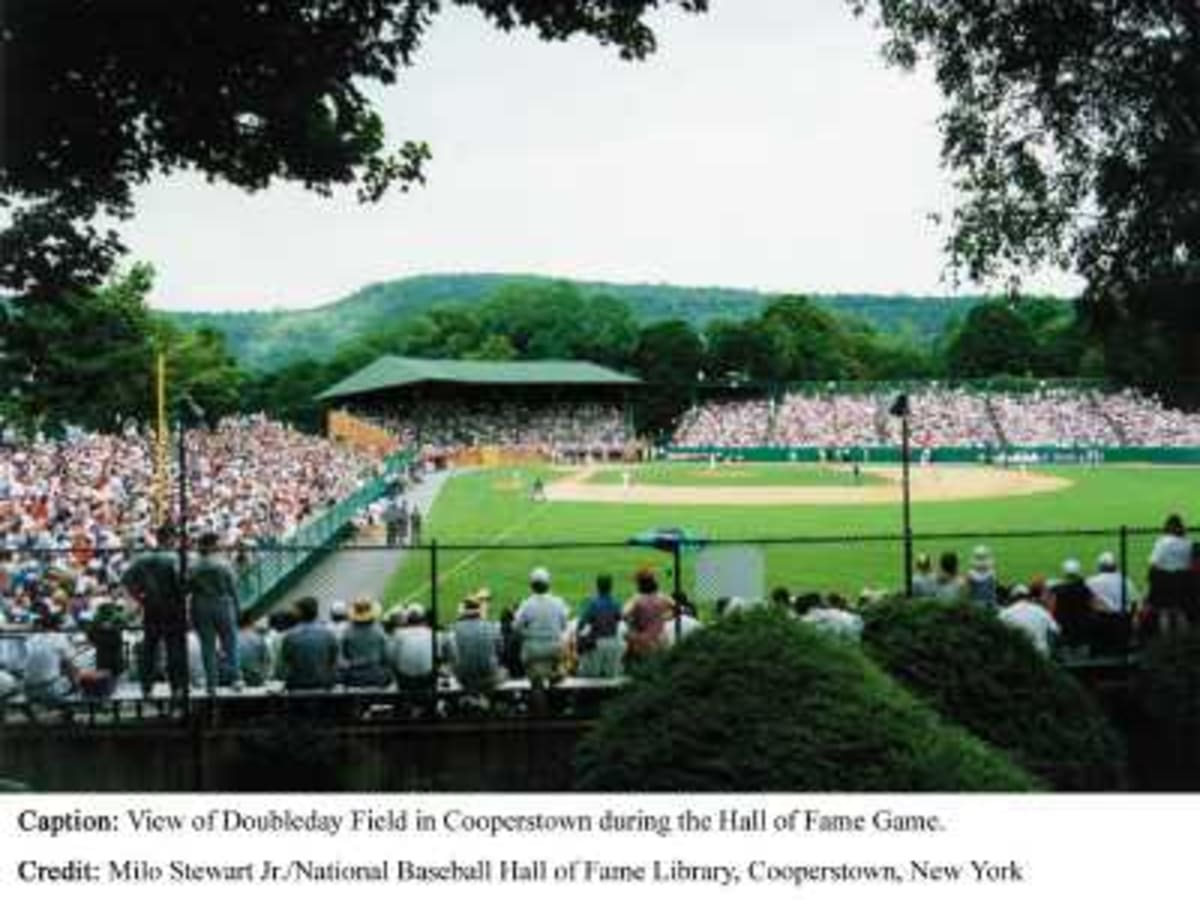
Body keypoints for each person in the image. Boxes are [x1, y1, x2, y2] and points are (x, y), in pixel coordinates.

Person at [121, 523, 187, 699]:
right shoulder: (174, 558)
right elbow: (183, 584)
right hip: (173, 608)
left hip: (151, 607)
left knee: (150, 648)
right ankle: (176, 688)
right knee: (174, 649)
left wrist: (141, 598)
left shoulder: (143, 558)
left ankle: (146, 687)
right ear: (171, 538)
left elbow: (126, 580)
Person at [187, 531, 242, 693]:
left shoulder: (193, 565)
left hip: (201, 604)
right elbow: (233, 587)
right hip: (223, 603)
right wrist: (238, 607)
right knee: (230, 643)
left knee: (207, 646)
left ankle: (211, 684)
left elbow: (187, 588)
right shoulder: (224, 564)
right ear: (213, 544)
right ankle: (236, 679)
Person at [515, 567, 569, 686]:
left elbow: (517, 627)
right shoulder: (559, 602)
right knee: (557, 667)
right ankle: (555, 676)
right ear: (548, 584)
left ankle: (538, 682)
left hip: (533, 651)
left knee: (535, 679)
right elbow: (565, 625)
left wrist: (528, 634)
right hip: (555, 649)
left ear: (532, 586)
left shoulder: (526, 604)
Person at [448, 591, 505, 693]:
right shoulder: (490, 626)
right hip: (488, 676)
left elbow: (452, 654)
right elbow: (500, 649)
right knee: (505, 672)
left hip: (465, 678)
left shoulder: (455, 628)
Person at [277, 596, 338, 690]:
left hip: (297, 687)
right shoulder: (328, 635)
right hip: (323, 686)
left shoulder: (290, 636)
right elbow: (333, 662)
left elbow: (282, 668)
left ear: (299, 613)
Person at [1147, 513, 1193, 634]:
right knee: (1181, 612)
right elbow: (1189, 563)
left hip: (1165, 581)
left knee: (1164, 612)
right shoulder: (1187, 543)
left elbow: (1153, 562)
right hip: (1183, 580)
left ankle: (1167, 645)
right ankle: (1185, 644)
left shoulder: (1162, 542)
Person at [22, 608, 78, 706]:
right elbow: (70, 666)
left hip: (28, 688)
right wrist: (76, 684)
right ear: (56, 626)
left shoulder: (31, 638)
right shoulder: (60, 637)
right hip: (49, 689)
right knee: (74, 679)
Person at [576, 574, 624, 678]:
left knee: (588, 673)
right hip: (613, 643)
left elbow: (581, 624)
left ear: (597, 587)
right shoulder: (616, 603)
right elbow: (620, 618)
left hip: (597, 644)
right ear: (611, 587)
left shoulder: (593, 603)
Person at [623, 568, 673, 665]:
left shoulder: (637, 599)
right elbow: (678, 609)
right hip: (661, 640)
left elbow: (624, 614)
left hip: (643, 642)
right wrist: (664, 618)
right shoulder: (662, 597)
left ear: (640, 584)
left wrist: (632, 623)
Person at [339, 597, 391, 687]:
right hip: (376, 675)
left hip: (354, 676)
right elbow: (386, 657)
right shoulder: (379, 631)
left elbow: (344, 656)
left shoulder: (347, 632)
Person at [998, 583, 1060, 656]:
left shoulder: (1005, 613)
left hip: (1015, 657)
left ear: (1012, 599)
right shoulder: (1042, 611)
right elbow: (1055, 631)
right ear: (1029, 598)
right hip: (1040, 657)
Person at [390, 604, 434, 688]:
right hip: (426, 679)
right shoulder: (430, 632)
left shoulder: (398, 633)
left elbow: (392, 659)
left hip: (406, 679)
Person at [237, 613, 272, 687]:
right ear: (251, 623)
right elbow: (266, 661)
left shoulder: (230, 639)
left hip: (235, 679)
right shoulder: (259, 639)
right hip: (254, 680)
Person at [965, 546, 998, 610]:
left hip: (974, 605)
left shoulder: (970, 574)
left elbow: (968, 593)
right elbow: (993, 593)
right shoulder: (992, 574)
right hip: (988, 605)